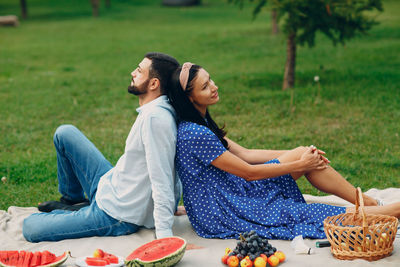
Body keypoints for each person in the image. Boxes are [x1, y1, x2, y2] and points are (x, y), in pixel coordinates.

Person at [167, 62, 400, 240]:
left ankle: (367, 203)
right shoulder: (195, 134)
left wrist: (300, 154)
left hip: (235, 191)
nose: (214, 87)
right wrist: (300, 165)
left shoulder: (201, 122)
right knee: (311, 212)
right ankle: (388, 212)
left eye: (211, 80)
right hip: (226, 209)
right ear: (189, 97)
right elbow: (248, 172)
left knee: (302, 154)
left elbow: (247, 154)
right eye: (205, 86)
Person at [23, 52, 182, 242]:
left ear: (154, 84)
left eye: (139, 71)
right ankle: (73, 201)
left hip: (117, 214)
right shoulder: (156, 110)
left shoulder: (155, 119)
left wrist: (165, 235)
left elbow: (162, 177)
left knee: (30, 227)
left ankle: (81, 213)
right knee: (65, 133)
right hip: (112, 184)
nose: (132, 73)